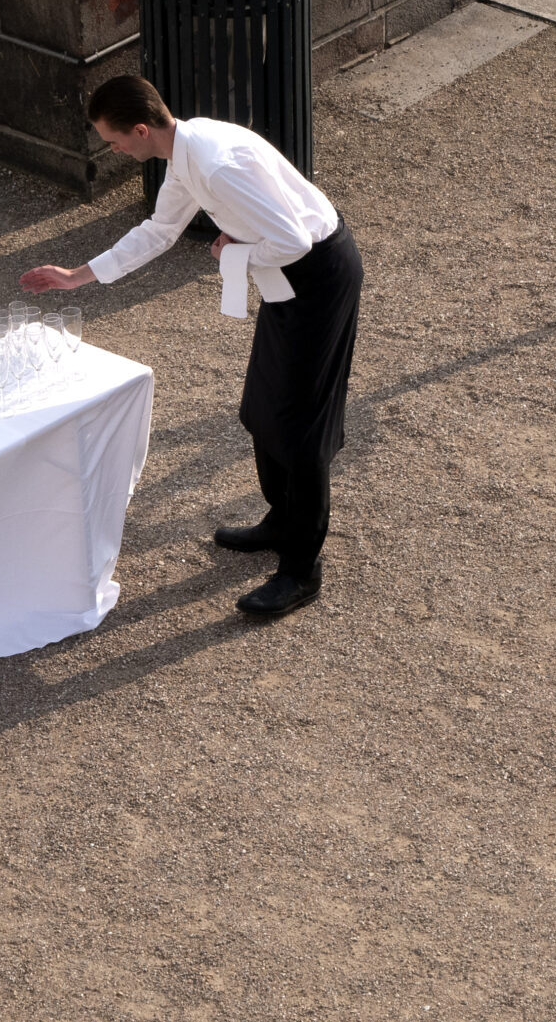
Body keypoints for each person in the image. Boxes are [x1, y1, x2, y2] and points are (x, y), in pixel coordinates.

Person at [21, 76, 361, 621]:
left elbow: (294, 241)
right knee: (263, 406)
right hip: (286, 277)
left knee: (302, 425)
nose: (114, 150)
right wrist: (76, 276)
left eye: (113, 141)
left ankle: (302, 568)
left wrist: (236, 252)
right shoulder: (182, 152)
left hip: (317, 277)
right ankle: (282, 519)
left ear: (140, 129)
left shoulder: (215, 165)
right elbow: (159, 231)